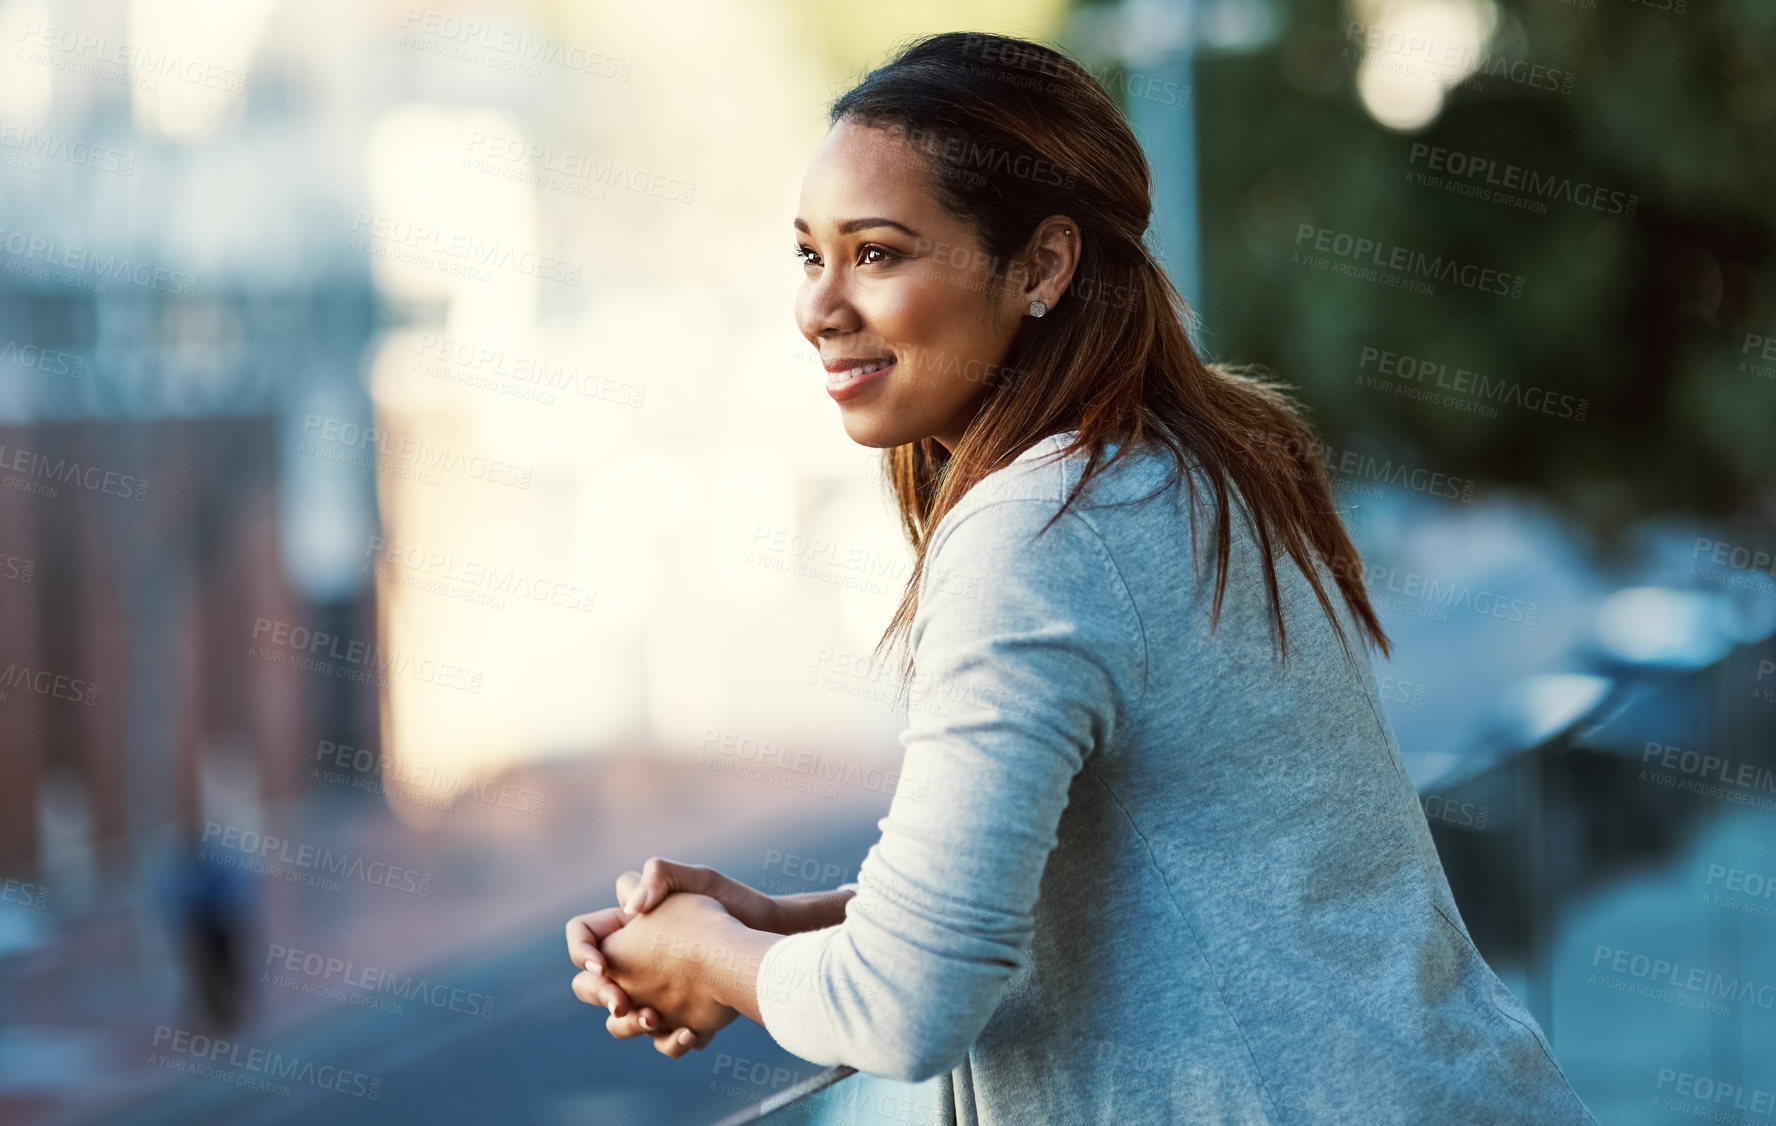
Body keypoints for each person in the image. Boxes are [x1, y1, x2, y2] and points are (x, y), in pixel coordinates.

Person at [566, 30, 1600, 1125]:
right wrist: (785, 928)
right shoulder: (1189, 467)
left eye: (876, 253)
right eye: (810, 254)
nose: (820, 307)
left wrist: (706, 953)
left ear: (1043, 267)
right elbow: (1152, 872)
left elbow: (900, 1010)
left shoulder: (1041, 532)